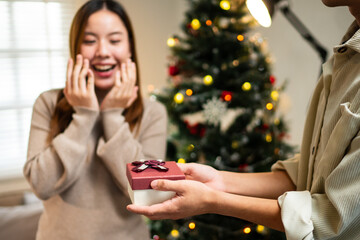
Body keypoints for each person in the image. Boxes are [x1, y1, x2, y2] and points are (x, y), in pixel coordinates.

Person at [127, 1, 360, 239]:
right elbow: (310, 175)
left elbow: (327, 217)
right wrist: (220, 180)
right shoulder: (346, 56)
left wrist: (213, 200)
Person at [24, 0, 167, 239]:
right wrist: (84, 116)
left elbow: (150, 194)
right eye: (90, 40)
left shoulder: (153, 112)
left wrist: (112, 116)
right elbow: (41, 185)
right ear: (76, 48)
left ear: (129, 47)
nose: (102, 52)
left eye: (114, 40)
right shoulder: (47, 103)